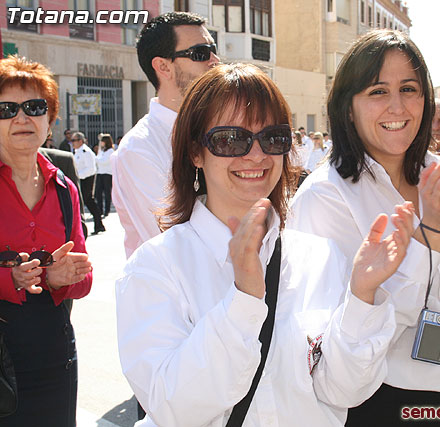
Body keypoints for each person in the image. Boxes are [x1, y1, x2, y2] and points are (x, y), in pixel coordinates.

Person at [116, 63, 414, 427]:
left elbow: (344, 391)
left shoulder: (319, 257)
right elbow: (173, 407)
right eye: (230, 139)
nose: (256, 155)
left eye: (273, 138)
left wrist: (363, 298)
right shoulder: (156, 267)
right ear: (196, 152)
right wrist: (243, 301)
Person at [288, 29, 440, 426]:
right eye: (376, 91)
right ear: (346, 106)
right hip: (381, 402)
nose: (397, 106)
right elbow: (344, 335)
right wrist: (432, 235)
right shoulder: (325, 197)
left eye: (409, 88)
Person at [0, 55, 92, 426]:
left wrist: (60, 277)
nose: (22, 118)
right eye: (7, 108)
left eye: (34, 107)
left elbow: (84, 276)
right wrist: (11, 280)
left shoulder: (63, 187)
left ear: (50, 119)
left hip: (55, 354)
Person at [111, 11, 219, 259]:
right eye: (200, 53)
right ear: (163, 67)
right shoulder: (138, 149)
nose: (215, 61)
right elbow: (174, 240)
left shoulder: (217, 129)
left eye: (214, 50)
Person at [72, 131, 105, 234]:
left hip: (86, 179)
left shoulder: (86, 152)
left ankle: (98, 224)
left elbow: (91, 169)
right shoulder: (77, 151)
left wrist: (78, 175)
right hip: (81, 179)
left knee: (88, 201)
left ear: (80, 141)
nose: (72, 143)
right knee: (87, 201)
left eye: (74, 140)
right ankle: (99, 225)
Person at [95, 133, 115, 217]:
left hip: (107, 173)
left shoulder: (110, 151)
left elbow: (104, 161)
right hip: (100, 173)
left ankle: (107, 210)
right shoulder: (102, 150)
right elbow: (99, 160)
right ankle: (99, 209)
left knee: (107, 192)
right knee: (98, 192)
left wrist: (96, 159)